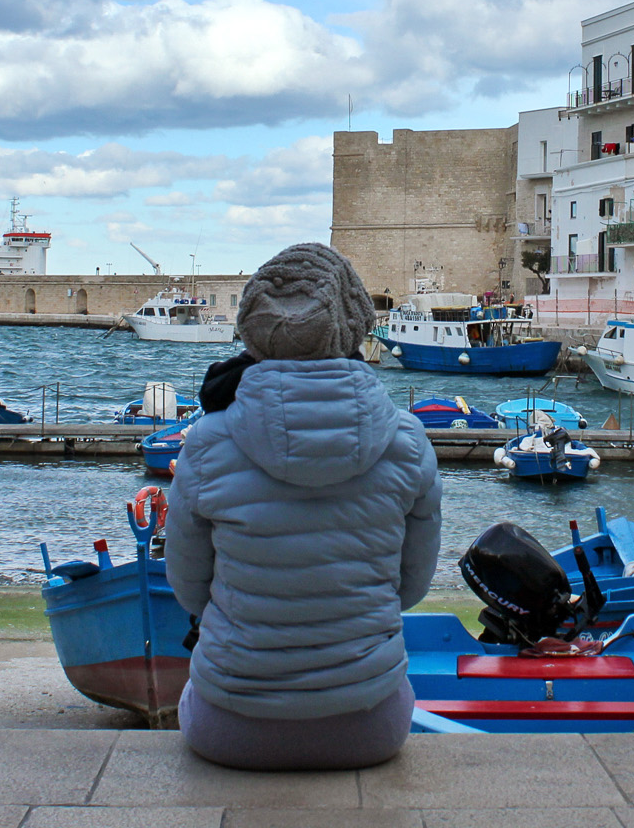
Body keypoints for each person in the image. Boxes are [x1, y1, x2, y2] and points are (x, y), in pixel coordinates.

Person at [165, 242, 441, 770]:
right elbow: (411, 587)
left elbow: (189, 588)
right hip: (370, 726)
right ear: (354, 321)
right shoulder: (408, 444)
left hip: (231, 729)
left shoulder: (207, 443)